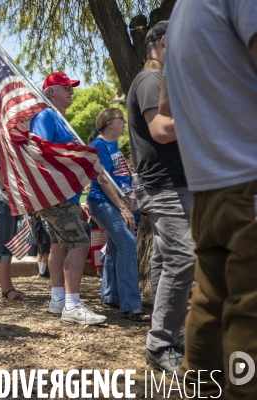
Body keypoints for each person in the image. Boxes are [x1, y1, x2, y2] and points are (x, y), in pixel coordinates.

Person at [161, 1, 257, 396]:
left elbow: (167, 108)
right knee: (248, 318)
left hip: (209, 189)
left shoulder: (184, 10)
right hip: (249, 178)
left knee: (211, 307)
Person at [127, 21, 195, 376]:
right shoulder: (151, 80)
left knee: (168, 260)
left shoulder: (163, 82)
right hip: (166, 184)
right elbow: (162, 131)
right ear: (167, 42)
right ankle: (160, 343)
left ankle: (173, 332)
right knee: (183, 259)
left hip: (179, 183)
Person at [30, 71, 106, 326]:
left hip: (64, 196)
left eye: (71, 88)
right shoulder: (46, 115)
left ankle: (58, 299)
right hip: (58, 195)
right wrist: (76, 154)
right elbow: (39, 149)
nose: (71, 93)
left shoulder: (57, 117)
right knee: (80, 243)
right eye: (67, 88)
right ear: (52, 91)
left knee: (59, 245)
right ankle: (73, 305)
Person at [86, 108, 150, 322]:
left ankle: (111, 295)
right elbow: (103, 180)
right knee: (127, 244)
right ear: (109, 123)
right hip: (102, 202)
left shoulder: (113, 145)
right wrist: (123, 208)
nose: (124, 122)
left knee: (115, 247)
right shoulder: (99, 145)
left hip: (115, 202)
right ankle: (131, 305)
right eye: (120, 119)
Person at [0, 134, 27, 300]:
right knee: (4, 245)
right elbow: (4, 181)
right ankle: (7, 290)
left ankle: (9, 288)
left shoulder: (0, 154)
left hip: (8, 201)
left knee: (7, 245)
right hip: (2, 201)